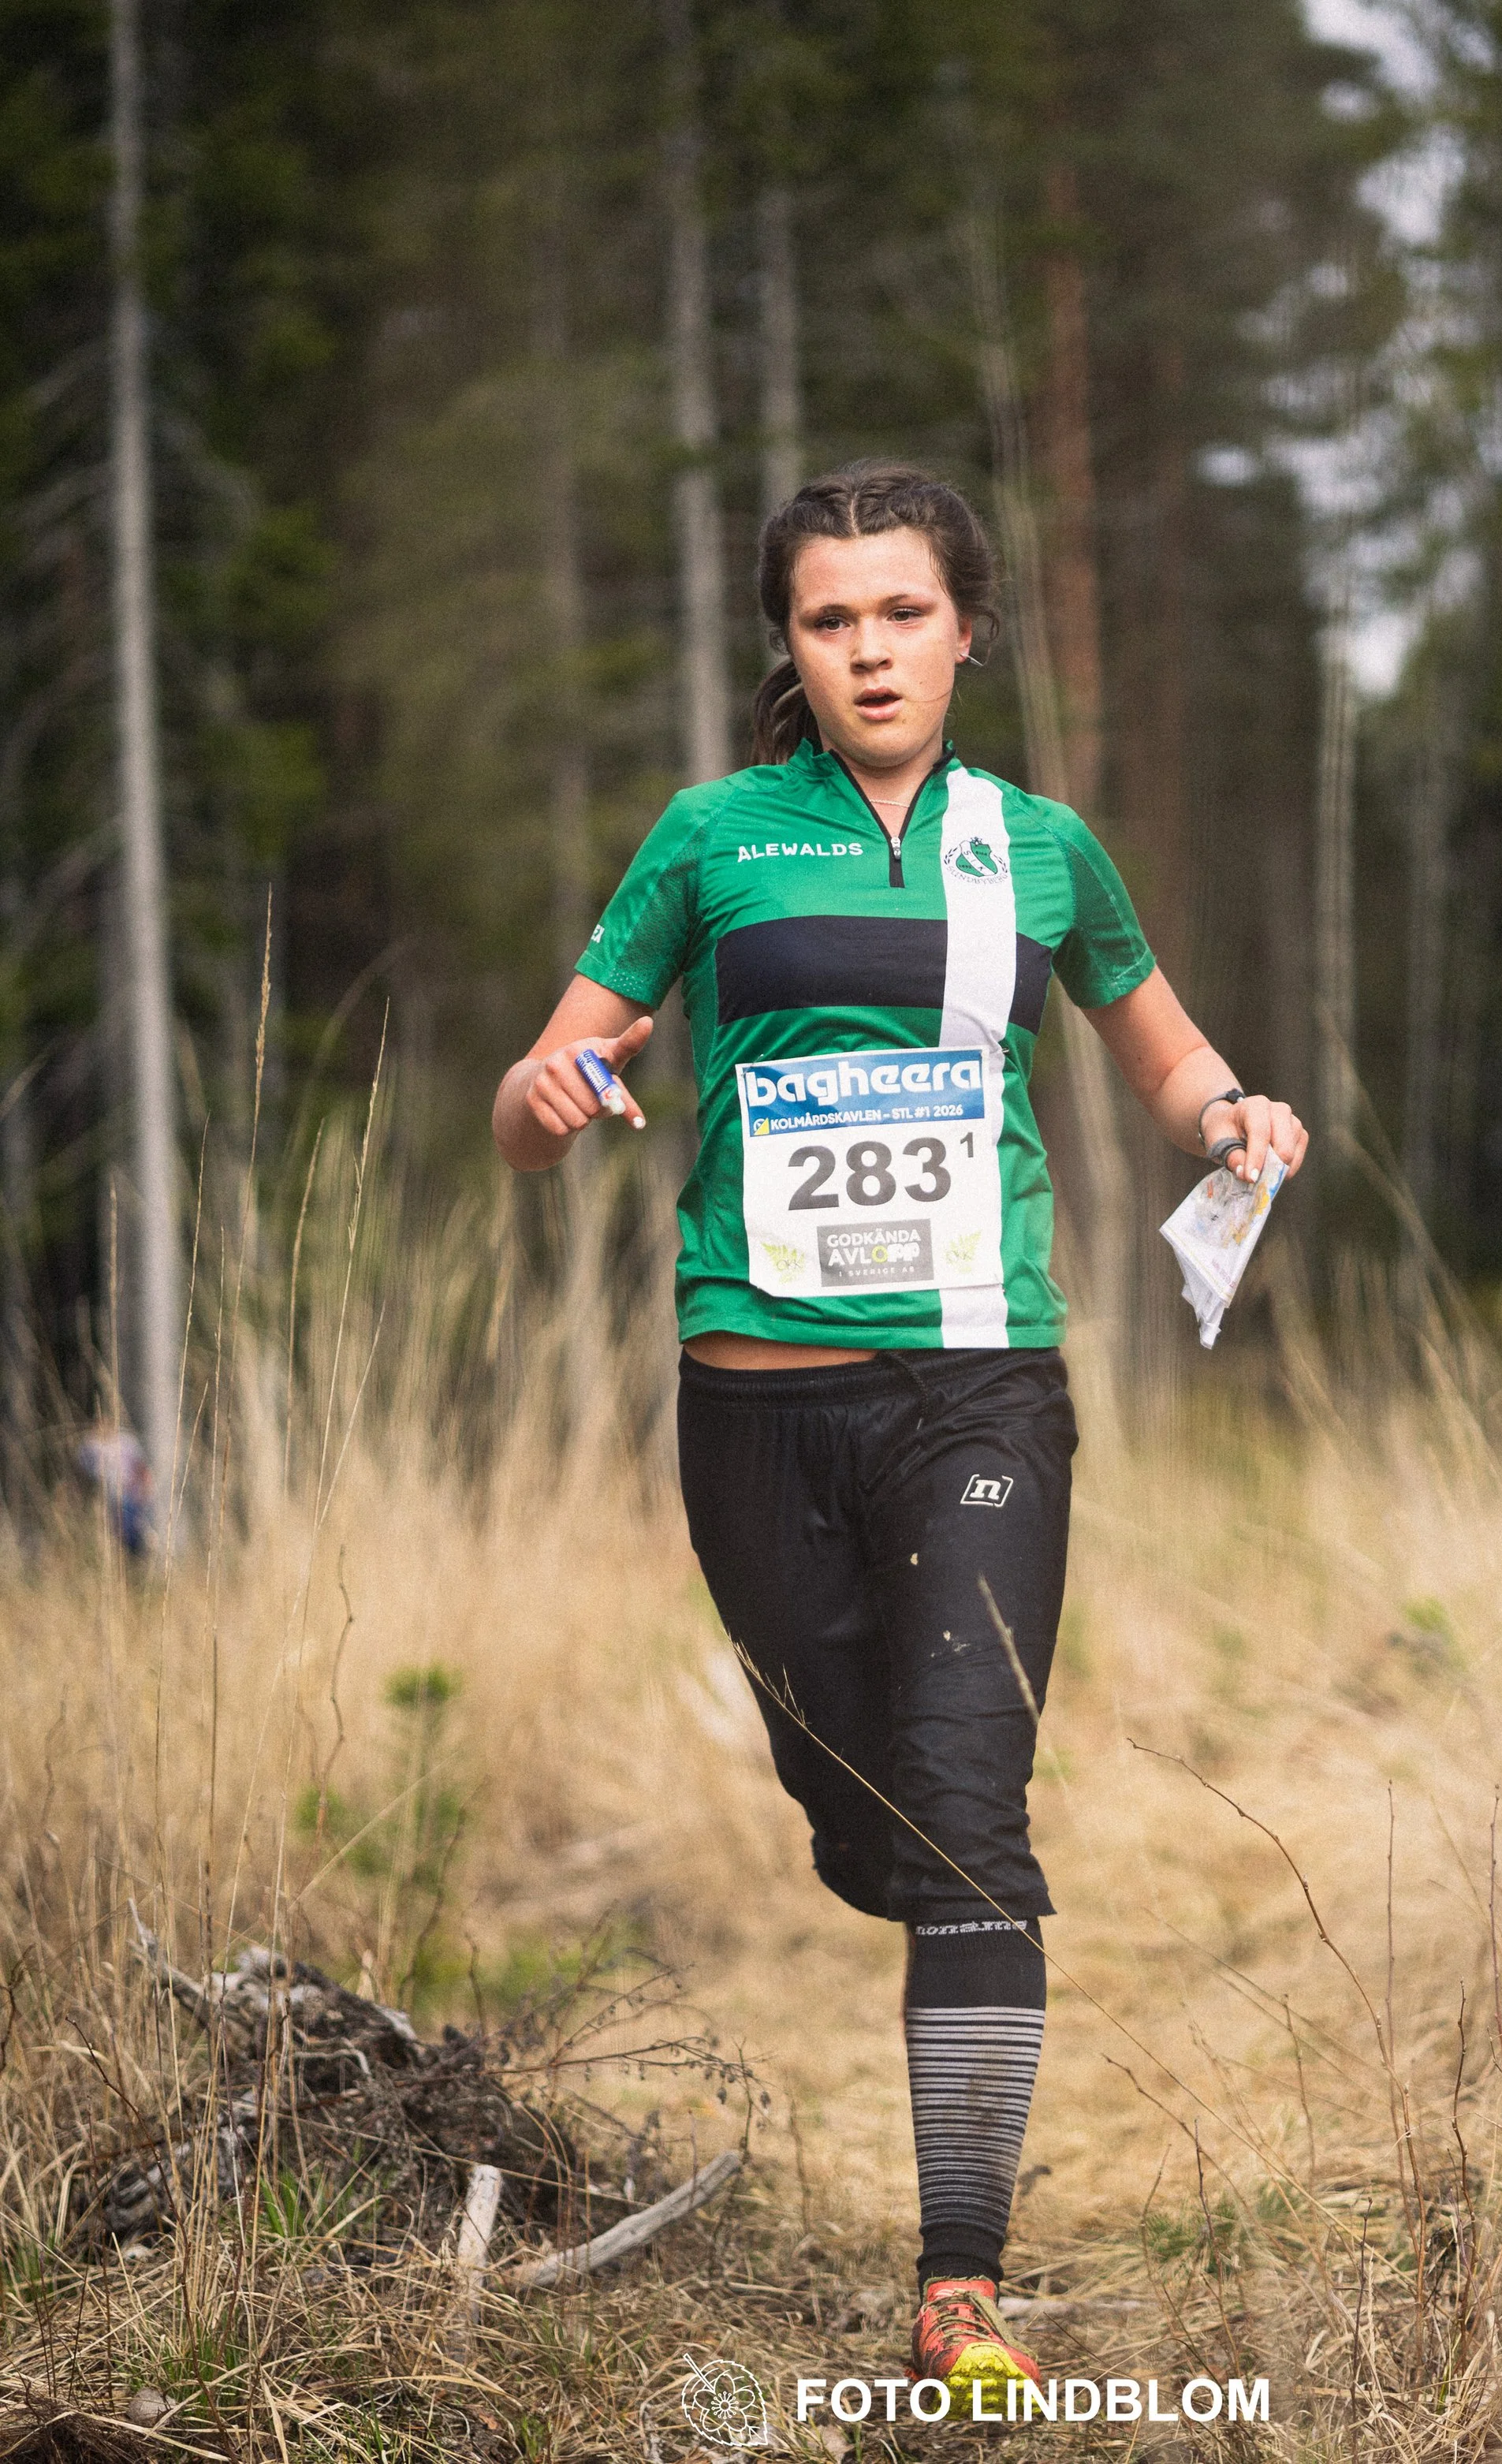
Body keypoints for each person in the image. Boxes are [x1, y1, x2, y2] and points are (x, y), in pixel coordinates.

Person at [493, 462, 1306, 2401]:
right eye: (829, 618)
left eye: (901, 613)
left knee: (969, 1812)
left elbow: (1156, 1041)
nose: (868, 648)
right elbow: (543, 1087)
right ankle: (910, 1876)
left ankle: (959, 2280)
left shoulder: (1037, 848)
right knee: (860, 1805)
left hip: (978, 1386)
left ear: (965, 629)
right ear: (791, 644)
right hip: (757, 1401)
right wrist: (553, 1085)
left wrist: (1227, 1117)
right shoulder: (711, 839)